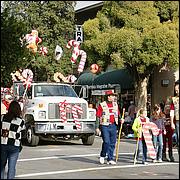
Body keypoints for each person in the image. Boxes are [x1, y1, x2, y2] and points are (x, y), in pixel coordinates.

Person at [95, 90, 124, 165]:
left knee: (113, 143)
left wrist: (121, 119)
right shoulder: (102, 105)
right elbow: (98, 116)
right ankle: (102, 155)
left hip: (113, 125)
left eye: (114, 96)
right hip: (105, 125)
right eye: (112, 96)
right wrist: (97, 127)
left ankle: (110, 158)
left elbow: (118, 114)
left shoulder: (115, 104)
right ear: (108, 97)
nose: (114, 97)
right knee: (106, 142)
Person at [1, 101, 25, 179]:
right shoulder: (21, 121)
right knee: (11, 168)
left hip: (3, 144)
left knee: (1, 166)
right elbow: (23, 135)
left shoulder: (2, 118)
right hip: (15, 146)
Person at [163, 96, 175, 162]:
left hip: (170, 128)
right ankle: (163, 155)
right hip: (164, 128)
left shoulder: (172, 110)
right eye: (166, 107)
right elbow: (162, 120)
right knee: (164, 142)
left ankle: (171, 155)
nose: (167, 109)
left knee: (170, 142)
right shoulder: (163, 114)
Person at [170, 80, 179, 154]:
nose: (176, 92)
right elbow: (172, 112)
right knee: (178, 138)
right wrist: (172, 122)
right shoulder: (174, 99)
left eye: (177, 90)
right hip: (178, 120)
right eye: (175, 90)